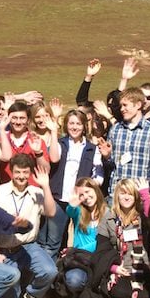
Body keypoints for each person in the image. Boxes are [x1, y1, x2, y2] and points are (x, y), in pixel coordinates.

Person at [0, 156, 58, 298]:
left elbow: (51, 212)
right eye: (17, 172)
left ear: (30, 173)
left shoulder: (37, 192)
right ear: (11, 171)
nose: (21, 176)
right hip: (5, 249)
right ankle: (11, 293)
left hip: (28, 246)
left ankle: (32, 295)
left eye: (25, 172)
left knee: (50, 271)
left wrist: (46, 187)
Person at [45, 108, 100, 259]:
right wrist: (53, 133)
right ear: (66, 125)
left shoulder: (91, 148)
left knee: (80, 240)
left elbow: (98, 174)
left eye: (78, 124)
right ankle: (51, 276)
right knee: (54, 242)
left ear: (84, 126)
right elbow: (53, 158)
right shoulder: (61, 143)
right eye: (71, 123)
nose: (74, 127)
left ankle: (74, 267)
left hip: (80, 203)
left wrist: (90, 190)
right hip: (59, 199)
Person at [106, 87, 150, 200]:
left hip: (139, 195)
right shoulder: (115, 129)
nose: (122, 109)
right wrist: (107, 156)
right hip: (117, 193)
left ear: (138, 105)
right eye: (121, 106)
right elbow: (112, 164)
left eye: (125, 105)